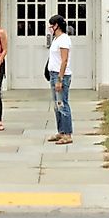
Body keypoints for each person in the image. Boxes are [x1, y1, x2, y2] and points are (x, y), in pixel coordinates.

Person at [46, 15, 73, 144]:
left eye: (51, 25)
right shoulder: (56, 39)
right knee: (57, 105)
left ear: (57, 25)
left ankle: (67, 134)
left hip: (60, 75)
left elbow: (64, 60)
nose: (50, 27)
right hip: (53, 74)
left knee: (63, 104)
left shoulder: (64, 40)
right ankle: (61, 131)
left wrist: (60, 79)